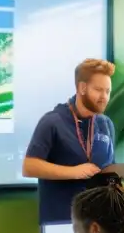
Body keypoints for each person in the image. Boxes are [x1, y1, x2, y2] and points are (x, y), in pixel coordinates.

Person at [23, 58, 116, 223]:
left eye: (108, 91)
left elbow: (110, 167)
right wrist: (74, 172)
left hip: (99, 222)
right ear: (82, 88)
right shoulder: (52, 122)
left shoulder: (105, 124)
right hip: (62, 221)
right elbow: (29, 167)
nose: (104, 97)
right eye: (98, 90)